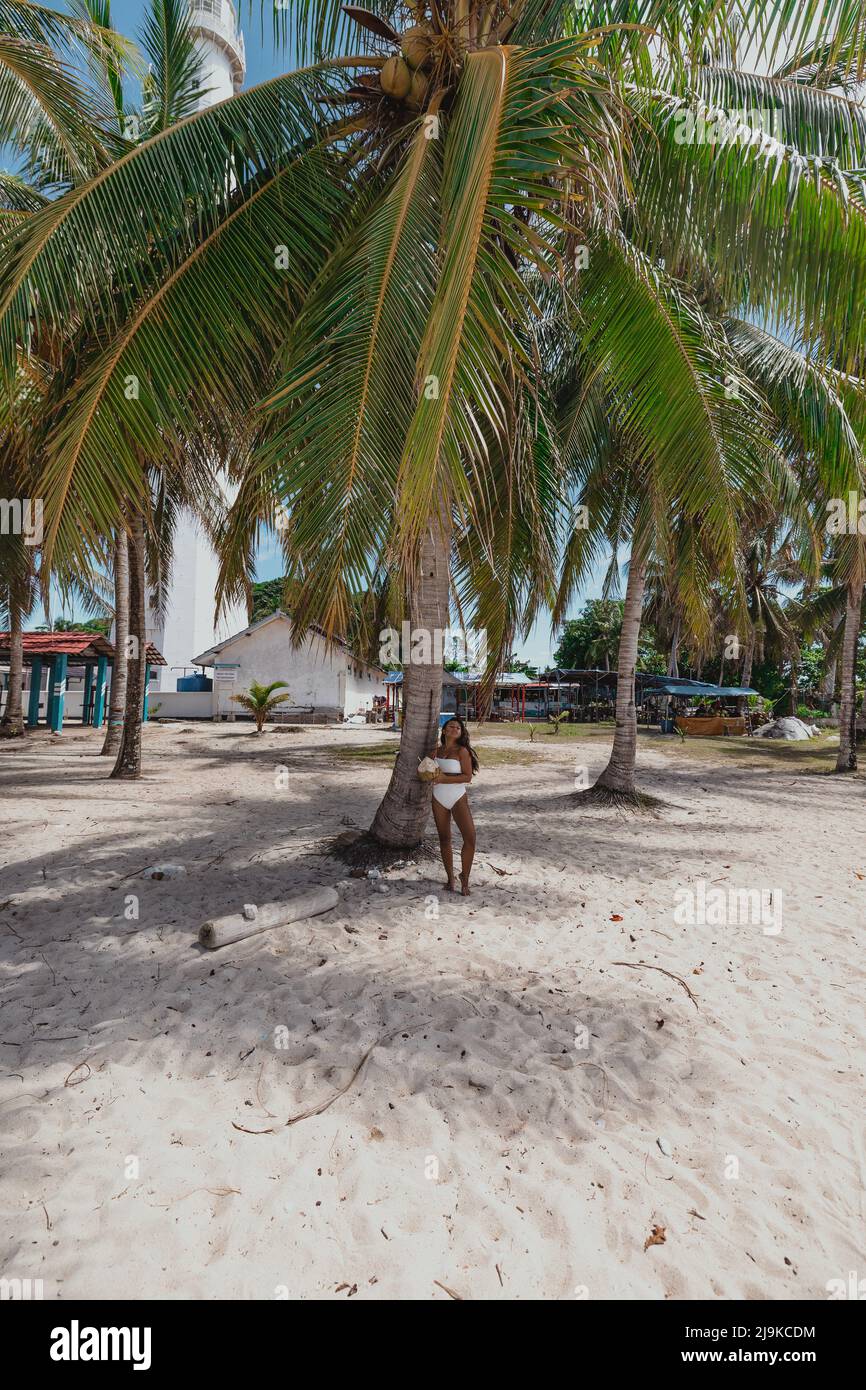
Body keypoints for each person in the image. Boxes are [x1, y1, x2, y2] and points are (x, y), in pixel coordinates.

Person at [430, 716, 477, 896]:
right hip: (438, 797)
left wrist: (443, 778)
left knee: (470, 838)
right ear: (444, 731)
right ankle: (450, 879)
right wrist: (429, 776)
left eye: (458, 727)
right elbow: (425, 769)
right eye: (451, 726)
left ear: (461, 732)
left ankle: (465, 877)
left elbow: (467, 777)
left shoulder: (462, 751)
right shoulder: (436, 751)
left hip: (457, 796)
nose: (455, 729)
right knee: (444, 839)